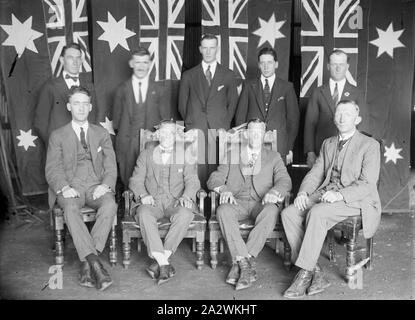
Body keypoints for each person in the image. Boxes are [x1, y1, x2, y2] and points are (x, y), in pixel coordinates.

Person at [281, 100, 381, 298]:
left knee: (317, 213)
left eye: (348, 114)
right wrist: (303, 193)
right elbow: (315, 174)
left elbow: (367, 184)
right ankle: (315, 271)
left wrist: (340, 195)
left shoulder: (370, 145)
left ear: (357, 119)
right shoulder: (328, 143)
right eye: (339, 113)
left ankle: (304, 273)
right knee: (289, 213)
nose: (342, 118)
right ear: (334, 118)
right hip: (327, 193)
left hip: (357, 200)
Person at [45, 86, 117, 291]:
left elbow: (111, 165)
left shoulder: (101, 133)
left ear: (91, 106)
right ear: (69, 106)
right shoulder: (57, 135)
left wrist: (105, 185)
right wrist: (64, 188)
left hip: (96, 185)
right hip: (71, 186)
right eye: (76, 103)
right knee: (70, 209)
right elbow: (52, 168)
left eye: (85, 103)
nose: (81, 107)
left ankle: (87, 263)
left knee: (110, 205)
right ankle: (95, 263)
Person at [207, 119, 292, 290]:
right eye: (251, 131)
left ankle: (241, 262)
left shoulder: (273, 157)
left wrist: (274, 192)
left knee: (271, 211)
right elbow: (214, 178)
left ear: (264, 135)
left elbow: (285, 180)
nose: (255, 135)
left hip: (261, 202)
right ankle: (246, 265)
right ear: (246, 134)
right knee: (222, 210)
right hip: (236, 202)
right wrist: (223, 189)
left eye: (258, 132)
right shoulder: (232, 155)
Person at [129, 120, 200, 285]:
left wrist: (186, 196)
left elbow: (192, 181)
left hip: (174, 201)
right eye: (163, 133)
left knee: (185, 213)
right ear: (158, 135)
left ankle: (161, 260)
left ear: (175, 136)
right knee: (143, 213)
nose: (167, 136)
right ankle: (164, 263)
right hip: (152, 200)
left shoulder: (185, 154)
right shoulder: (146, 154)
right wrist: (143, 194)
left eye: (171, 133)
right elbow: (135, 180)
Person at [178, 33, 238, 188]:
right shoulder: (188, 75)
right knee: (195, 168)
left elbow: (232, 104)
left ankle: (215, 202)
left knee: (217, 166)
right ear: (200, 49)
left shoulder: (228, 75)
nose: (209, 51)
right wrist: (192, 121)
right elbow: (181, 104)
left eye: (212, 48)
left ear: (217, 48)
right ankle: (196, 201)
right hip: (195, 128)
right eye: (205, 48)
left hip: (219, 129)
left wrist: (224, 124)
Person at [113, 47, 171, 187]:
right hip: (128, 142)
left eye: (144, 62)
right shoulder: (121, 90)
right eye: (137, 62)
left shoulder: (159, 90)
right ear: (131, 63)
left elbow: (166, 121)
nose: (141, 66)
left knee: (151, 179)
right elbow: (116, 122)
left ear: (149, 64)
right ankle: (130, 207)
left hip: (152, 142)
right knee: (129, 180)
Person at [304, 49, 369, 168]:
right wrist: (310, 152)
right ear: (328, 66)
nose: (338, 68)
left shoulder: (356, 92)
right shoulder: (318, 92)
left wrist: (361, 150)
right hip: (322, 150)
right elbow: (310, 124)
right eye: (334, 64)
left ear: (347, 66)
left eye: (341, 64)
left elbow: (363, 123)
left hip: (350, 151)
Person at [235, 47, 299, 165]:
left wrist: (289, 147)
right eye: (263, 63)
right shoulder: (249, 86)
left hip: (280, 146)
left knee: (277, 179)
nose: (266, 66)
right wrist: (243, 144)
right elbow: (240, 117)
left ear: (276, 64)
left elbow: (293, 120)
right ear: (259, 65)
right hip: (252, 144)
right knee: (252, 178)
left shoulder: (287, 87)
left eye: (269, 62)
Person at [34, 42, 97, 145]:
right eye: (70, 58)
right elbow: (40, 122)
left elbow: (94, 116)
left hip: (85, 148)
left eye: (78, 58)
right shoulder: (50, 87)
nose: (75, 62)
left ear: (81, 60)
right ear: (62, 60)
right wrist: (54, 144)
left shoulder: (89, 86)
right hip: (60, 150)